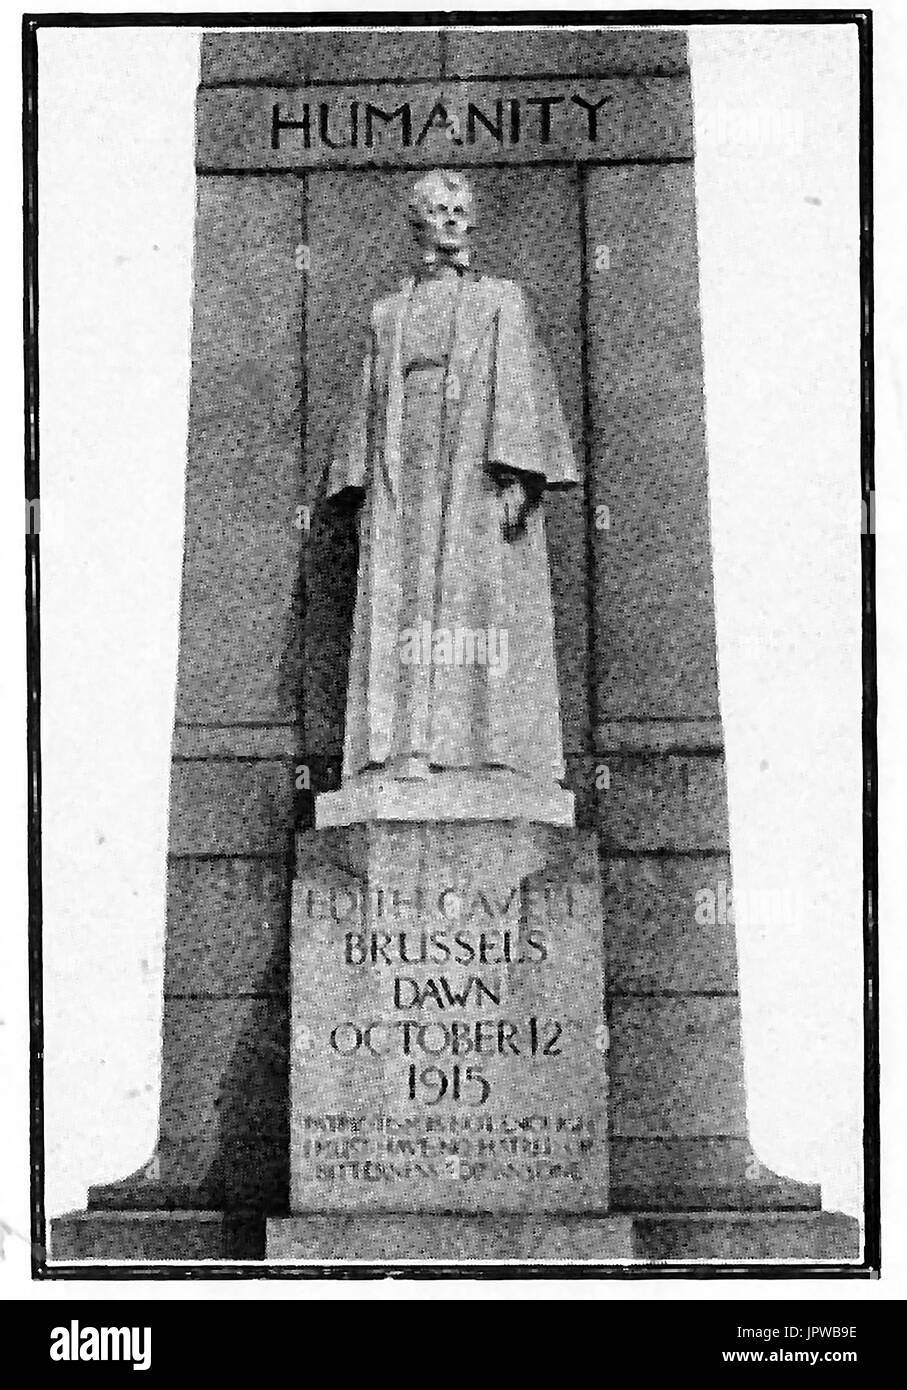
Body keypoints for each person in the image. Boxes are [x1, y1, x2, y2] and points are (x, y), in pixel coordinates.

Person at [328, 169, 579, 788]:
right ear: (418, 220)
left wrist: (520, 477)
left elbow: (520, 389)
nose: (451, 220)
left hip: (475, 462)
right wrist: (361, 491)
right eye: (438, 209)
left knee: (477, 597)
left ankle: (483, 750)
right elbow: (368, 403)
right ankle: (404, 748)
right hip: (407, 463)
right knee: (405, 597)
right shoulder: (387, 314)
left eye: (460, 209)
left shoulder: (502, 300)